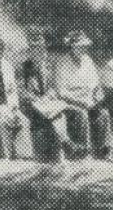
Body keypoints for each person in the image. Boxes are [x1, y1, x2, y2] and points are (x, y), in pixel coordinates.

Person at [17, 26, 79, 162]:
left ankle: (65, 143)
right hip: (30, 105)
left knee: (59, 112)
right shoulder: (24, 67)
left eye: (41, 49)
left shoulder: (48, 66)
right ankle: (67, 142)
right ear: (30, 51)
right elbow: (22, 92)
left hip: (46, 104)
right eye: (36, 49)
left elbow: (52, 88)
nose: (40, 52)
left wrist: (48, 96)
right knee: (54, 114)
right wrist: (37, 99)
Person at [56, 31, 111, 160]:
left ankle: (101, 152)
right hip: (69, 102)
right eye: (79, 47)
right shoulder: (62, 63)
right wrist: (80, 101)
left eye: (84, 47)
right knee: (82, 113)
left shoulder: (88, 61)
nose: (82, 49)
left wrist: (97, 96)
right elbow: (61, 92)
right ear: (72, 47)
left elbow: (96, 84)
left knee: (103, 113)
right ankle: (82, 152)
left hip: (88, 99)